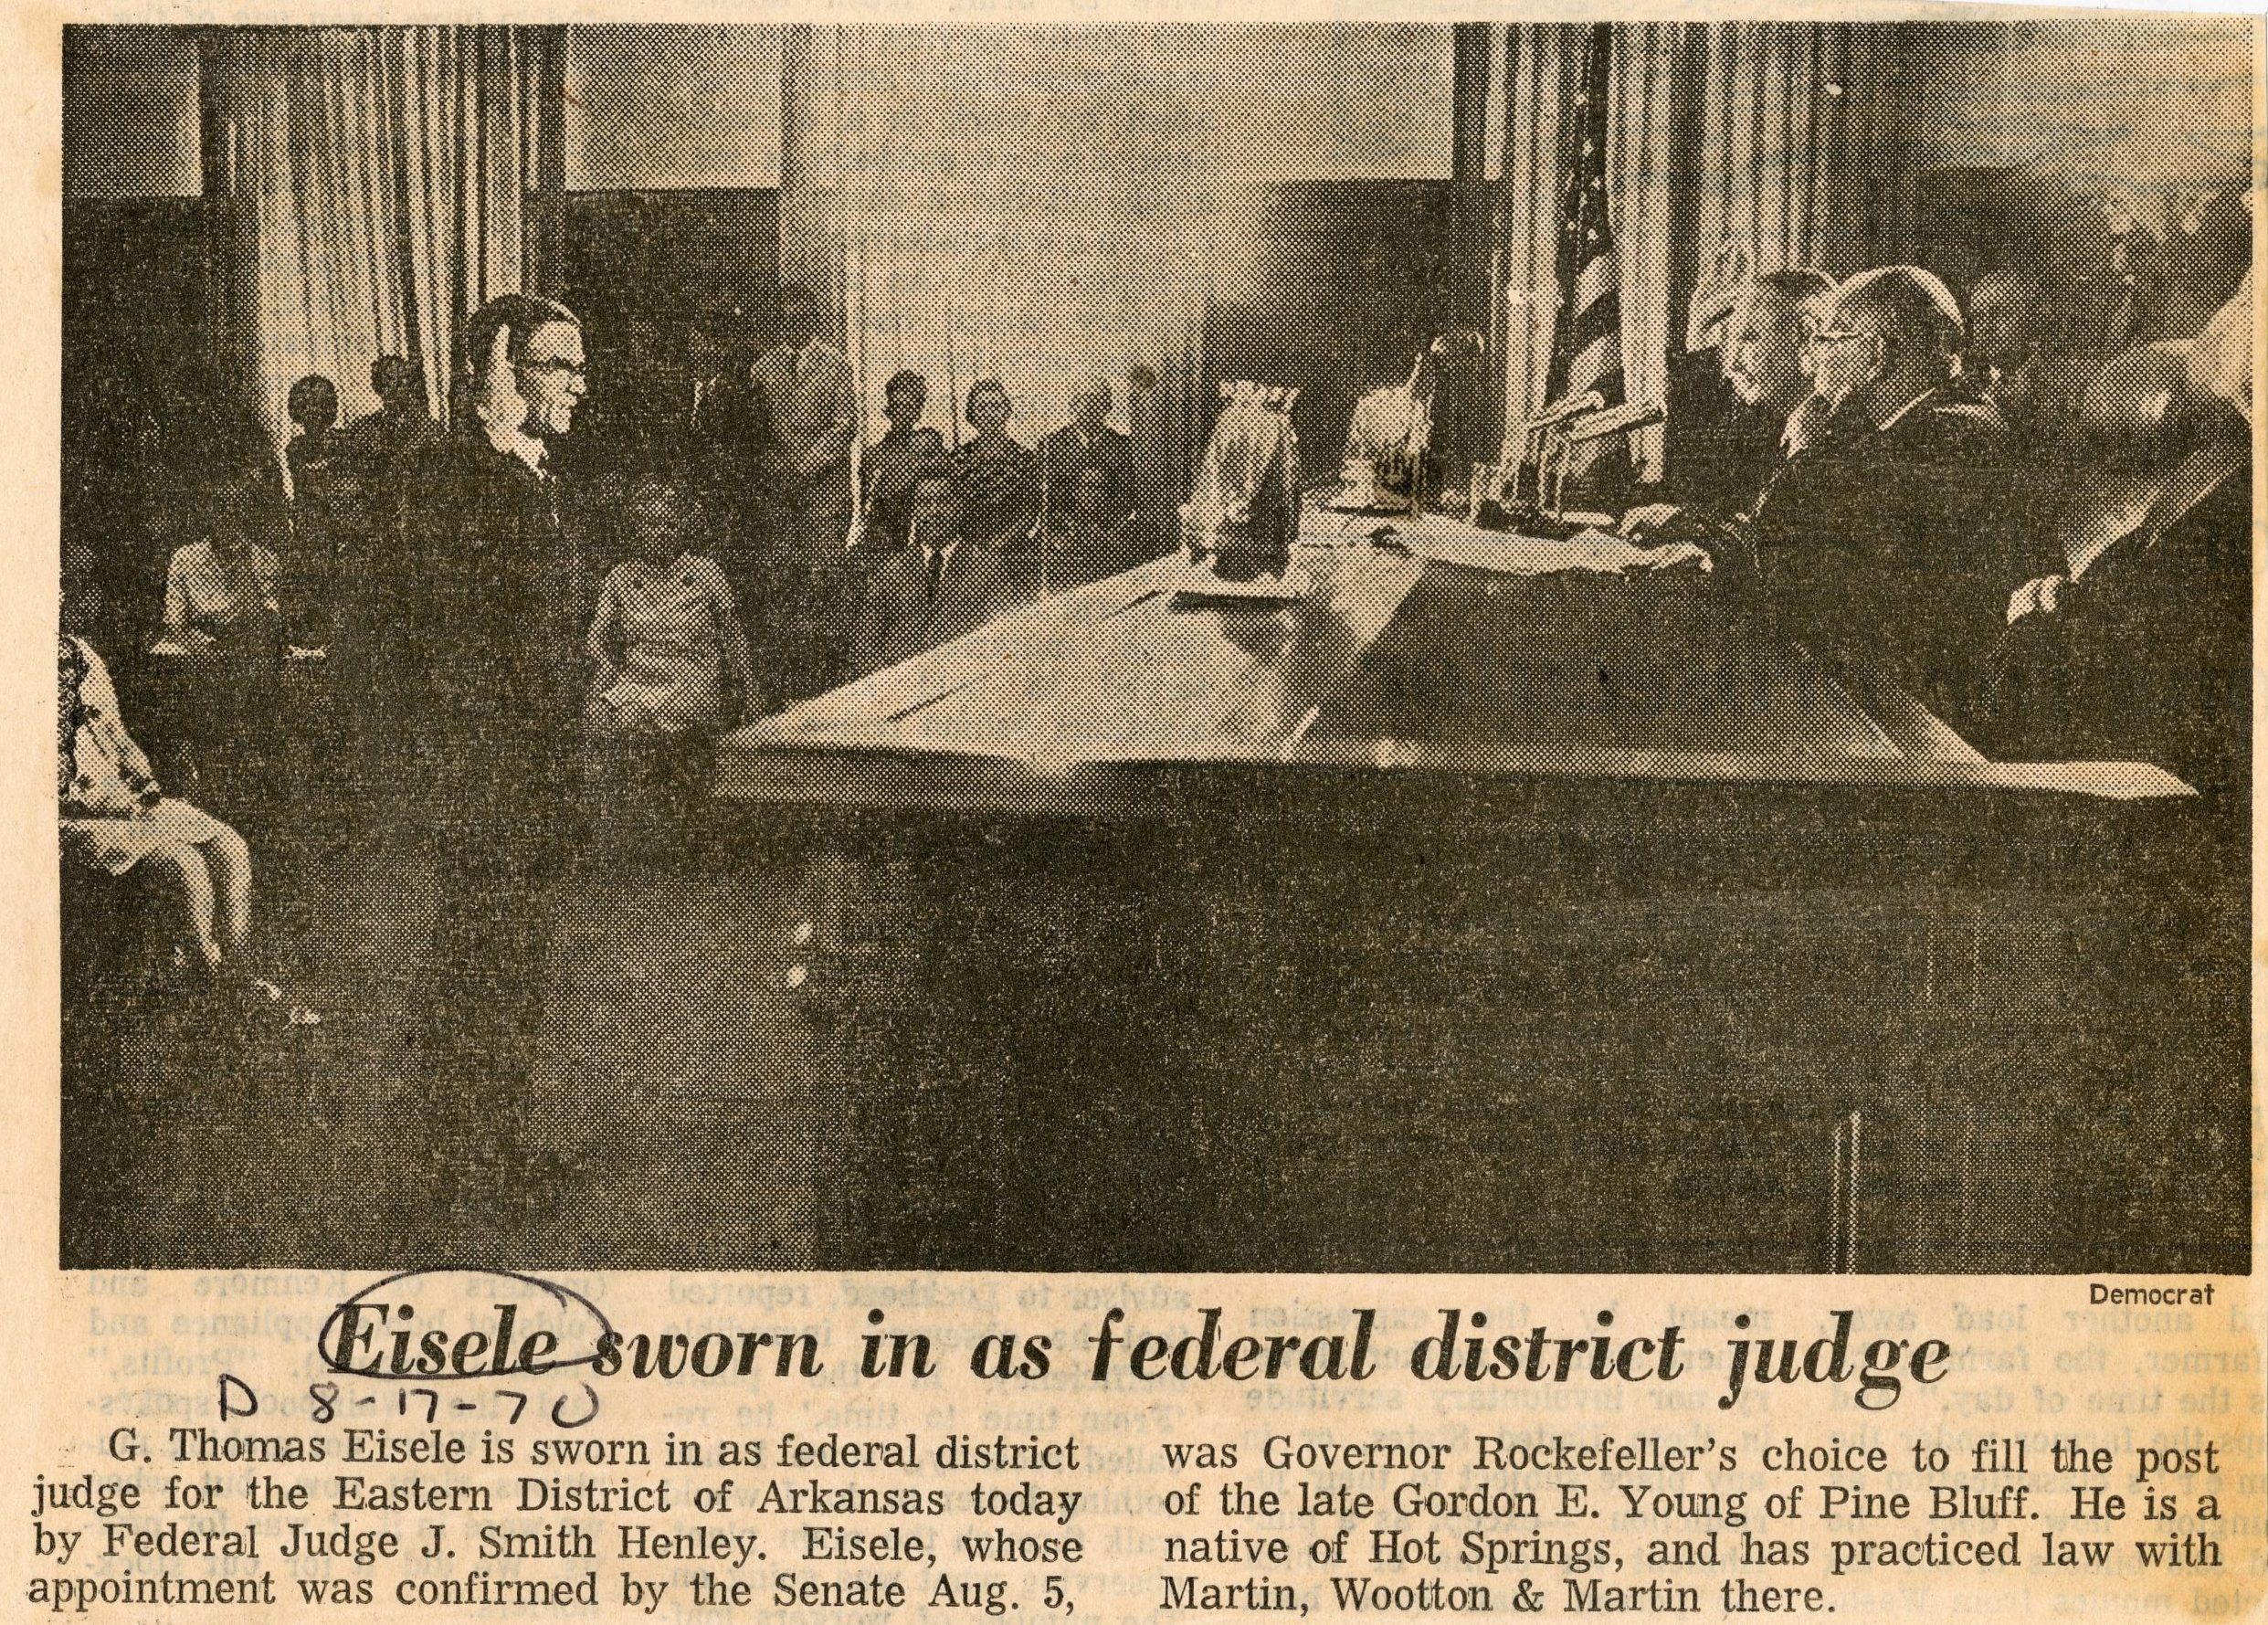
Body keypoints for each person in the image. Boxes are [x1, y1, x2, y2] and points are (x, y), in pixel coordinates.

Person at [394, 292, 590, 1196]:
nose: (579, 387)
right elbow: (452, 640)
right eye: (559, 365)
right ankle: (449, 1157)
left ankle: (492, 1144)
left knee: (514, 958)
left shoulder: (541, 471)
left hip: (533, 765)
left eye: (577, 366)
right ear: (494, 375)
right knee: (479, 955)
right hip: (486, 770)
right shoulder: (449, 477)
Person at [1984, 271, 2252, 799]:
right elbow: (2136, 580)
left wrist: (2042, 622)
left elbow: (2171, 659)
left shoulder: (2234, 478)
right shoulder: (2222, 457)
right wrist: (2063, 601)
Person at [1738, 265, 2014, 721]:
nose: (1812, 359)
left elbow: (1797, 567)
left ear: (1874, 356)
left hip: (1932, 713)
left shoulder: (1952, 435)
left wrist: (1813, 443)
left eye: (1828, 339)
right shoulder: (1901, 429)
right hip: (1887, 685)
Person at [59, 630, 311, 1026]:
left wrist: (141, 785)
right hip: (70, 817)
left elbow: (116, 732)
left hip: (123, 802)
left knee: (229, 844)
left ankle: (240, 971)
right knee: (186, 862)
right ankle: (213, 982)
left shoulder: (78, 652)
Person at [586, 476, 758, 847]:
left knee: (646, 724)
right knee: (607, 720)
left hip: (692, 679)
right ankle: (625, 833)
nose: (659, 533)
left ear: (682, 526)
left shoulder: (706, 573)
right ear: (637, 527)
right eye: (650, 524)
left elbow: (733, 636)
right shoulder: (620, 577)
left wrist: (748, 687)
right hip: (636, 678)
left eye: (668, 524)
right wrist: (605, 681)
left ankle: (674, 830)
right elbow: (597, 640)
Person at [1626, 269, 1835, 534]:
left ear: (1807, 339)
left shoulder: (1833, 445)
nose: (1732, 363)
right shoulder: (1770, 422)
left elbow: (1771, 548)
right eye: (1731, 341)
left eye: (1749, 338)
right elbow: (1701, 496)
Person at [752, 285, 857, 702]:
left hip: (825, 500)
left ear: (812, 319)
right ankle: (789, 685)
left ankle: (827, 684)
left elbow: (844, 426)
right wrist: (778, 471)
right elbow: (757, 434)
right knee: (785, 588)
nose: (793, 323)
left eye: (801, 316)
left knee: (822, 584)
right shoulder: (762, 371)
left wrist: (803, 466)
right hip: (781, 501)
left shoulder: (836, 366)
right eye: (786, 316)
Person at [850, 463, 1023, 676]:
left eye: (944, 501)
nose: (934, 512)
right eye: (924, 502)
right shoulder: (889, 573)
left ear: (960, 507)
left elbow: (1003, 643)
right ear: (913, 511)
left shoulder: (987, 568)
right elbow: (864, 646)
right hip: (899, 692)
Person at [947, 378, 1043, 576]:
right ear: (972, 415)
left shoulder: (1025, 459)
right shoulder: (957, 459)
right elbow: (953, 510)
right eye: (982, 407)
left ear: (1006, 411)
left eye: (996, 406)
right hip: (970, 555)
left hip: (1015, 555)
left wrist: (996, 547)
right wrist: (976, 551)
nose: (990, 414)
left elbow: (1029, 512)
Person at [1038, 374, 1136, 536]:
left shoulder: (1123, 446)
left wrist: (1105, 529)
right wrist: (1067, 528)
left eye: (1098, 400)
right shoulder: (1051, 446)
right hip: (1062, 537)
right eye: (1083, 399)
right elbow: (1044, 497)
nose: (1090, 406)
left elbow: (1126, 495)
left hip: (1110, 536)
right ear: (1072, 405)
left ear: (1108, 405)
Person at [859, 371, 946, 554]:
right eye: (898, 406)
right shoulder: (874, 456)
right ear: (889, 408)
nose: (904, 413)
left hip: (926, 536)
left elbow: (943, 489)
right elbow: (868, 508)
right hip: (887, 540)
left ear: (918, 411)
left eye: (910, 407)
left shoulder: (929, 442)